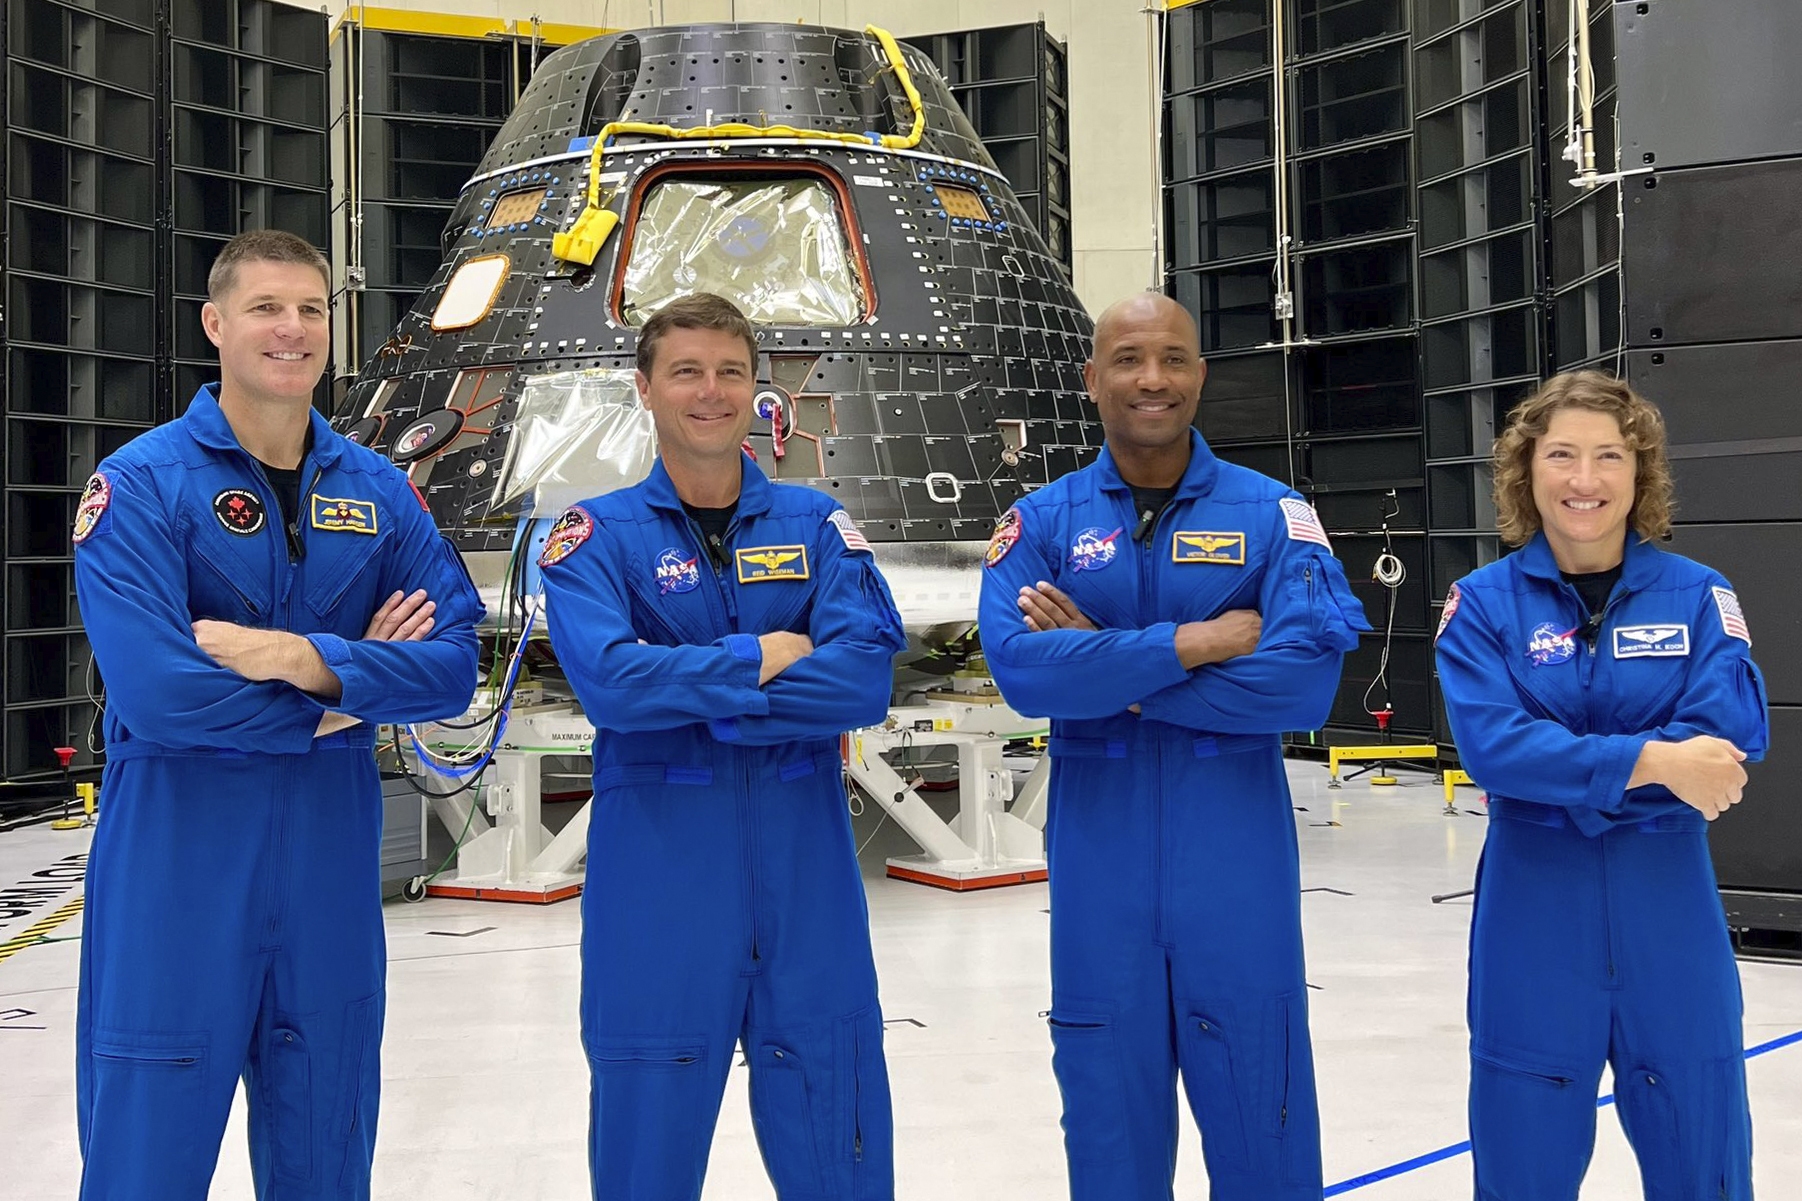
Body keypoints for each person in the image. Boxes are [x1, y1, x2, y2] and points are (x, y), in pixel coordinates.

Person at [71, 229, 484, 1200]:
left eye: (310, 309)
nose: (291, 329)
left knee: (327, 1148)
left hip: (328, 872)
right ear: (216, 324)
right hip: (178, 860)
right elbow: (159, 694)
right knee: (145, 1151)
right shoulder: (139, 487)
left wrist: (308, 658)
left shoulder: (379, 493)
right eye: (266, 308)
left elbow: (454, 666)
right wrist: (345, 698)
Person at [978, 291, 1369, 1201]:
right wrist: (1190, 643)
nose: (1149, 378)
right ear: (1091, 379)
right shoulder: (1039, 522)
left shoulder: (1275, 517)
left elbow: (1303, 685)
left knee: (1260, 1107)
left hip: (1233, 854)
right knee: (1107, 1115)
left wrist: (1109, 672)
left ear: (1199, 374)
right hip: (1097, 860)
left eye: (1170, 358)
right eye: (1126, 359)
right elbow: (1027, 680)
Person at [536, 292, 906, 1201]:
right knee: (644, 1149)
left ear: (757, 390)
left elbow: (863, 681)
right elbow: (611, 686)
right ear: (646, 389)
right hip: (659, 885)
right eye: (687, 372)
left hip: (808, 884)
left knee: (841, 1132)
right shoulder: (593, 539)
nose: (711, 391)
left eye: (730, 372)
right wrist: (760, 657)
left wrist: (701, 691)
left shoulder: (817, 527)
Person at [1434, 370, 1766, 1199]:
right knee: (1522, 1153)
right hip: (1533, 907)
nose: (1585, 480)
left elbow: (1728, 737)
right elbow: (1496, 748)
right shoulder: (1480, 606)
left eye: (1608, 455)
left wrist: (1578, 767)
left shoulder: (1699, 596)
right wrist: (1655, 763)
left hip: (1669, 904)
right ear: (1526, 471)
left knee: (1702, 1142)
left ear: (1639, 472)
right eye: (1563, 455)